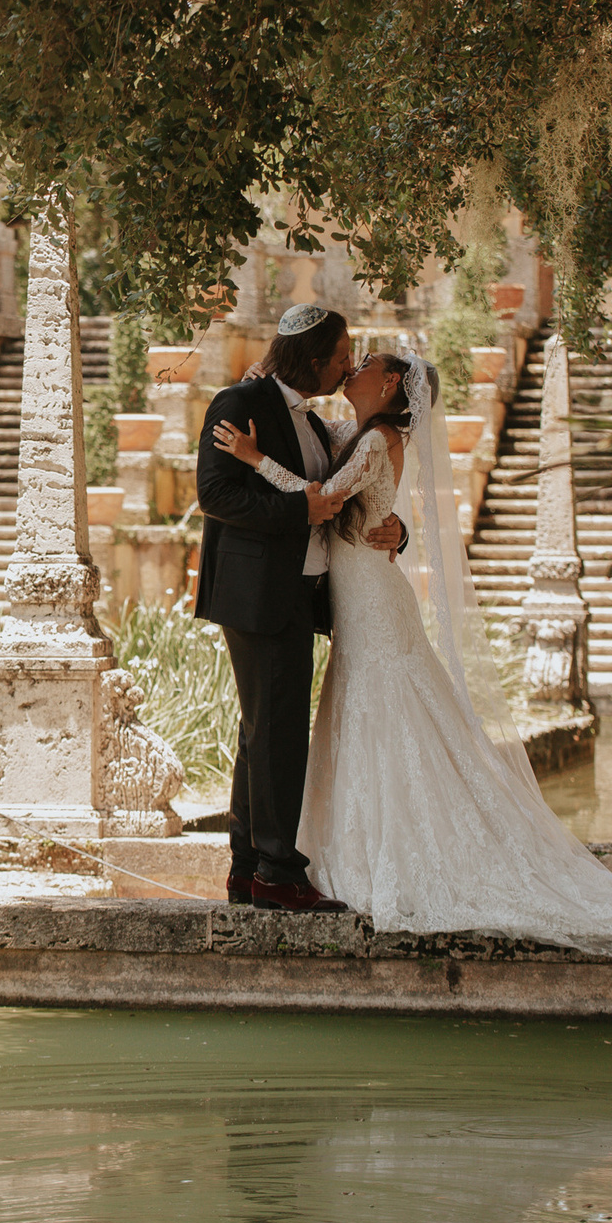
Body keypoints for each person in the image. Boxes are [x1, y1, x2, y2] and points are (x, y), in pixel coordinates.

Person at [210, 350, 612, 949]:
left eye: (368, 361)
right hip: (361, 596)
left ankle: (405, 858)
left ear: (392, 381)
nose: (357, 365)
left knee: (390, 712)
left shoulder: (376, 440)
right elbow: (330, 453)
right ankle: (357, 851)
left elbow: (317, 496)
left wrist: (253, 458)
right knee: (366, 715)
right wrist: (263, 386)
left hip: (373, 600)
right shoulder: (357, 432)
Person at [191, 303, 401, 914]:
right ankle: (279, 874)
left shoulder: (316, 421)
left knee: (263, 732)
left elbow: (360, 497)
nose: (346, 369)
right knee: (277, 733)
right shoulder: (240, 404)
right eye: (340, 359)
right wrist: (295, 512)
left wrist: (397, 531)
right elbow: (215, 494)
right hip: (257, 594)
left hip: (298, 594)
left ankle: (249, 869)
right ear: (312, 361)